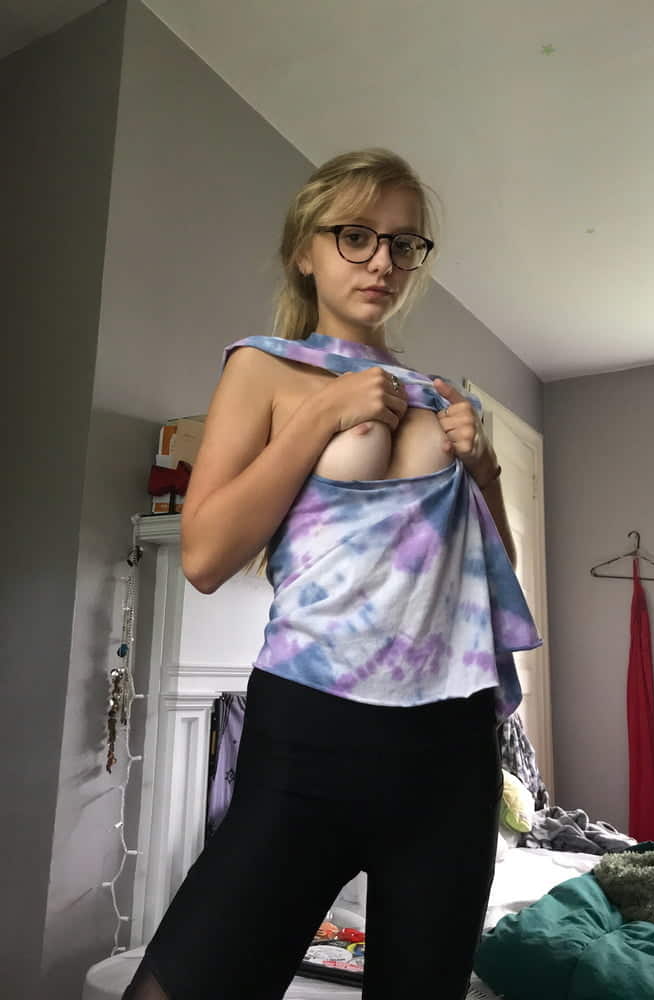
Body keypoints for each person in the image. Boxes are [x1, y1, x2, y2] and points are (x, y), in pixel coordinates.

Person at [122, 148, 542, 1000]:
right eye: (356, 236)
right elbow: (204, 557)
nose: (382, 261)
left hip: (451, 748)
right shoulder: (263, 367)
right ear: (304, 251)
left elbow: (495, 584)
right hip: (311, 734)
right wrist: (319, 417)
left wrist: (488, 471)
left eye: (403, 243)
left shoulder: (437, 393)